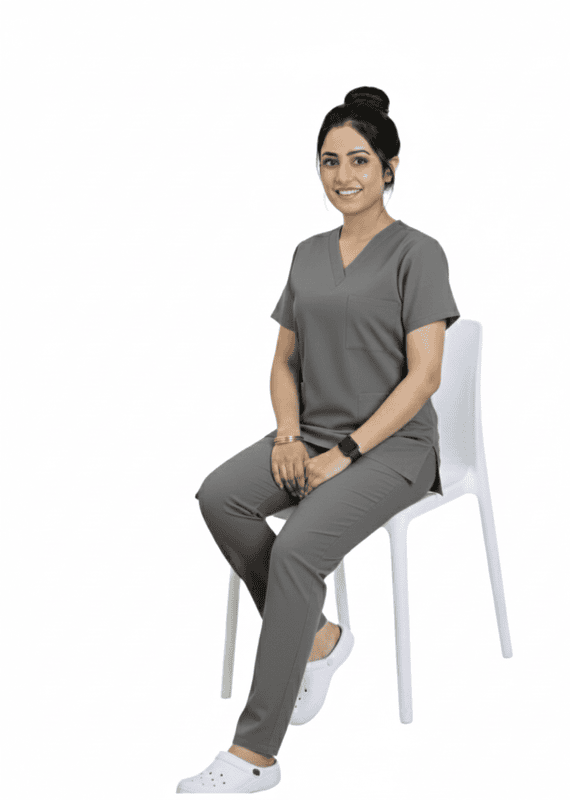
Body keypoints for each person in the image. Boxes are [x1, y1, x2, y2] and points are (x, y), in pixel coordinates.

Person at [176, 85, 461, 794]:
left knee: (298, 548)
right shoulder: (307, 254)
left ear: (390, 167)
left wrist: (346, 454)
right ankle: (319, 638)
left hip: (394, 449)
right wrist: (289, 436)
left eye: (359, 160)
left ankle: (254, 755)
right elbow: (284, 361)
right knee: (220, 497)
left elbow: (425, 377)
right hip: (312, 433)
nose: (344, 175)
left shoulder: (419, 253)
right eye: (329, 161)